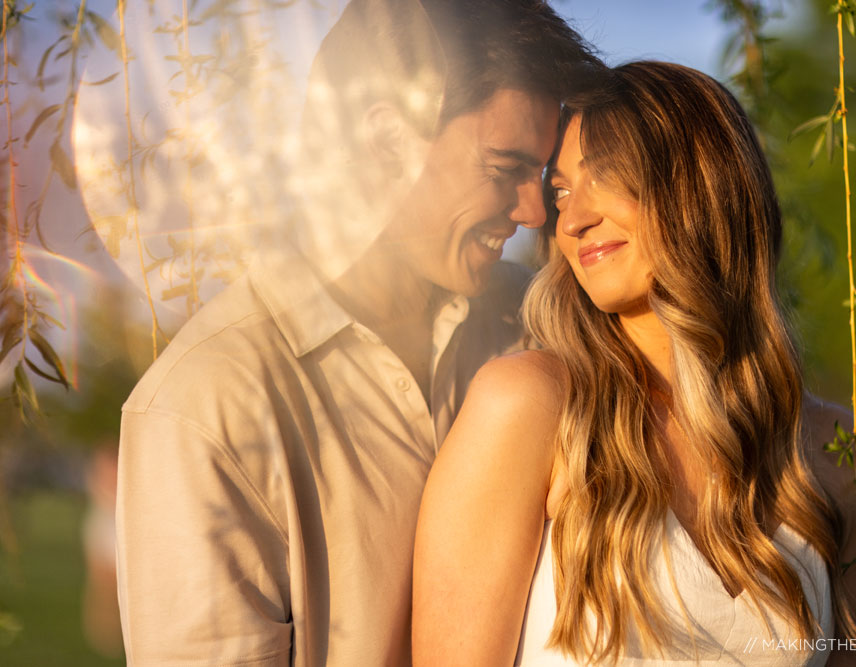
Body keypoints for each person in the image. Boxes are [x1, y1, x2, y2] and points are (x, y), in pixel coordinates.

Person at [115, 1, 600, 664]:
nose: (535, 208)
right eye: (505, 168)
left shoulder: (541, 326)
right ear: (387, 141)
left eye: (542, 175)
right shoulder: (204, 405)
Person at [412, 61, 856, 666]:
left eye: (604, 176)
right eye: (560, 191)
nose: (572, 217)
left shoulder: (842, 459)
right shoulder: (529, 408)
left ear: (705, 182)